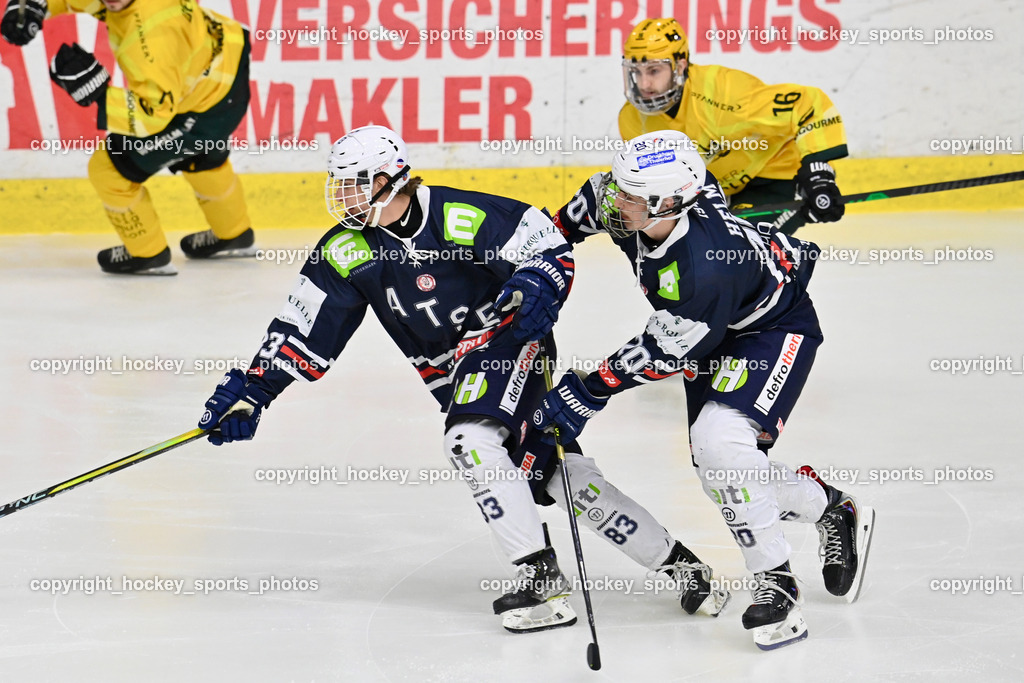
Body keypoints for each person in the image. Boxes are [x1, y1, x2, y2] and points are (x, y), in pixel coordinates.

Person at [194, 125, 730, 633]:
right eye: (338, 185)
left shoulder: (454, 215)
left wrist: (537, 282)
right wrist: (254, 390)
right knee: (557, 476)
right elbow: (302, 325)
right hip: (454, 376)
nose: (342, 197)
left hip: (507, 348)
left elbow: (544, 243)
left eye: (352, 185)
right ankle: (686, 569)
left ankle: (541, 579)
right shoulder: (346, 250)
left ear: (386, 181)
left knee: (469, 440)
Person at [537, 130, 875, 650]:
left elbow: (664, 350)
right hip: (710, 326)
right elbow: (580, 210)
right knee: (721, 473)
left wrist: (586, 391)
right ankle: (829, 506)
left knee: (721, 445)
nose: (613, 199)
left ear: (669, 202)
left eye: (627, 194)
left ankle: (776, 584)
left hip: (770, 328)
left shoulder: (705, 267)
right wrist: (538, 254)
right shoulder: (642, 204)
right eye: (619, 185)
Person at [1, 0, 256, 274]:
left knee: (110, 169)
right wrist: (36, 5)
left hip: (203, 106)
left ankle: (147, 253)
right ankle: (234, 233)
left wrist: (100, 95)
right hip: (223, 69)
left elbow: (152, 116)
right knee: (203, 157)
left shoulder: (150, 36)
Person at [618, 18, 848, 235]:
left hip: (778, 176)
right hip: (723, 193)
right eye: (636, 72)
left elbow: (809, 104)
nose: (644, 84)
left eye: (654, 70)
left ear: (680, 66)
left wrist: (818, 174)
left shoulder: (724, 93)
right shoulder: (631, 120)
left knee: (744, 249)